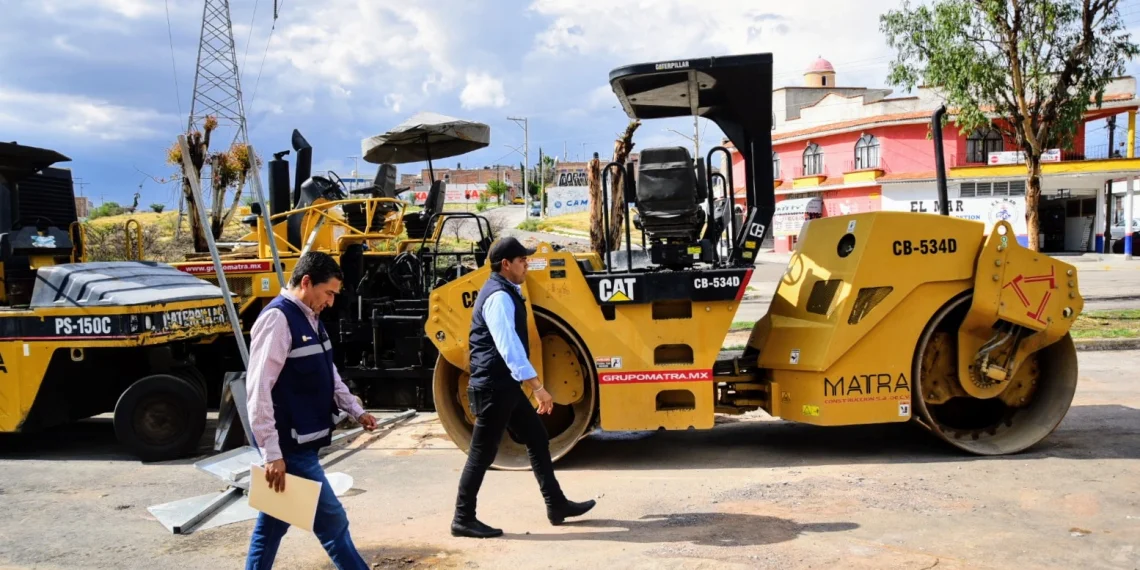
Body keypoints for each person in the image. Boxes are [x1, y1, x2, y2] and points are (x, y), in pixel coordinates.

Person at [451, 236, 596, 539]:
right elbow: (509, 349)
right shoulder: (499, 297)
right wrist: (538, 387)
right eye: (522, 261)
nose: (526, 265)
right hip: (493, 386)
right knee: (481, 454)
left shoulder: (506, 291)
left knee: (536, 435)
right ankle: (462, 518)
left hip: (503, 386)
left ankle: (556, 505)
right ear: (506, 264)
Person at [244, 251, 378, 570]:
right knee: (333, 523)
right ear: (306, 283)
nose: (330, 301)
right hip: (290, 450)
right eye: (328, 292)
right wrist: (271, 452)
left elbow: (326, 371)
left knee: (272, 526)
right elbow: (259, 388)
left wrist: (355, 409)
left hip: (304, 444)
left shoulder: (310, 318)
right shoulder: (278, 319)